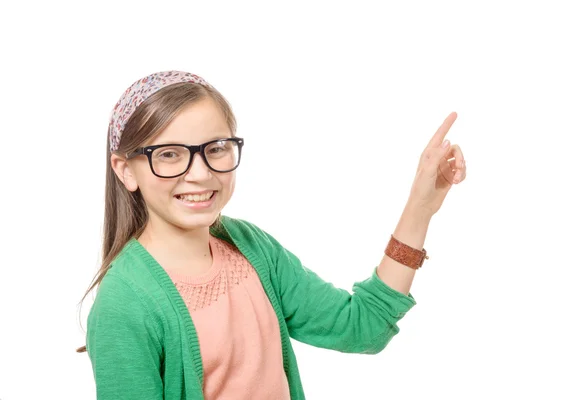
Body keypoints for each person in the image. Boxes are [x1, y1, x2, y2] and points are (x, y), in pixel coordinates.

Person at [77, 70, 467, 400]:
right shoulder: (123, 305)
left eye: (215, 148)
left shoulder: (251, 248)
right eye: (169, 154)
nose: (199, 173)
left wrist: (419, 208)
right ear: (125, 169)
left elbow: (362, 327)